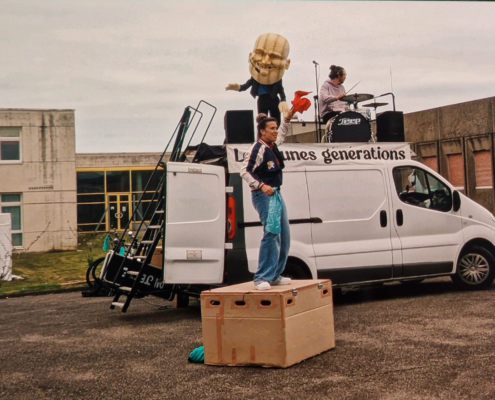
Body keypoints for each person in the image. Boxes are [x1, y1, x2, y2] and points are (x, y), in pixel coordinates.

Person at [240, 110, 294, 290]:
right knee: (271, 233)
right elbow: (244, 171)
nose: (275, 131)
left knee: (284, 235)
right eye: (272, 128)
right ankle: (262, 276)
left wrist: (287, 119)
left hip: (276, 193)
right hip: (264, 194)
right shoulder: (257, 148)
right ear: (262, 131)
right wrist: (261, 185)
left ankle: (275, 274)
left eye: (276, 128)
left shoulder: (272, 146)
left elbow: (282, 137)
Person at [225, 33, 291, 125]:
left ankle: (276, 137)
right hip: (262, 99)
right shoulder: (256, 77)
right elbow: (246, 85)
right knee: (262, 121)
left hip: (273, 98)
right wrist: (238, 87)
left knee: (276, 121)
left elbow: (281, 89)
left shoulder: (276, 78)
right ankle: (262, 136)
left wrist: (283, 100)